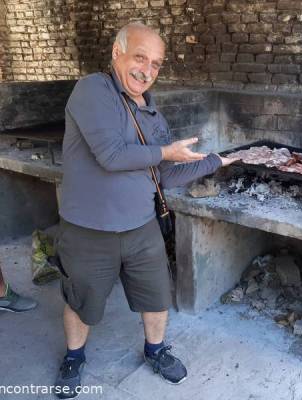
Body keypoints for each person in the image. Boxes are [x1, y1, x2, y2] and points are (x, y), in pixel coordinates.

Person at [54, 22, 237, 399]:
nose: (147, 70)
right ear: (116, 53)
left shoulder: (153, 115)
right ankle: (74, 356)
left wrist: (216, 161)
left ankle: (155, 350)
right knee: (81, 299)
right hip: (89, 230)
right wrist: (167, 152)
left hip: (141, 227)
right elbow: (111, 155)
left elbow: (165, 175)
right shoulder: (93, 89)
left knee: (156, 296)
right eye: (140, 57)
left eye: (156, 64)